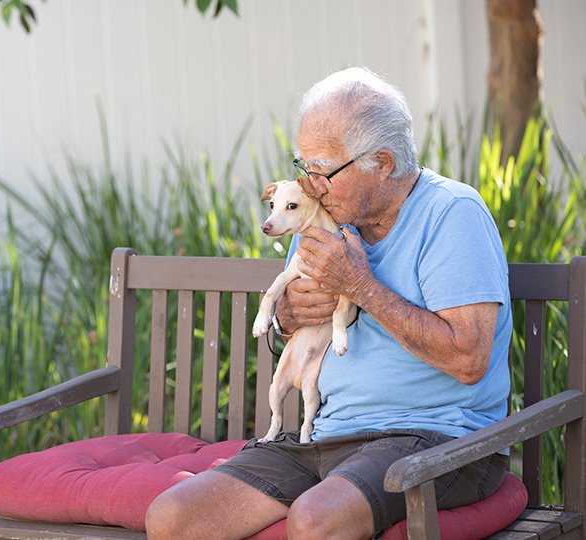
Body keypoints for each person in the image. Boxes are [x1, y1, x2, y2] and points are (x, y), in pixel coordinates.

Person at [145, 67, 512, 539]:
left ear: (381, 162)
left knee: (315, 520)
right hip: (323, 434)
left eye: (322, 170)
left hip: (435, 441)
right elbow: (295, 332)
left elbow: (469, 359)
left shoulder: (452, 215)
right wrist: (286, 316)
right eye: (304, 168)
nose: (310, 185)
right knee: (173, 518)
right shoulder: (324, 221)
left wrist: (362, 287)